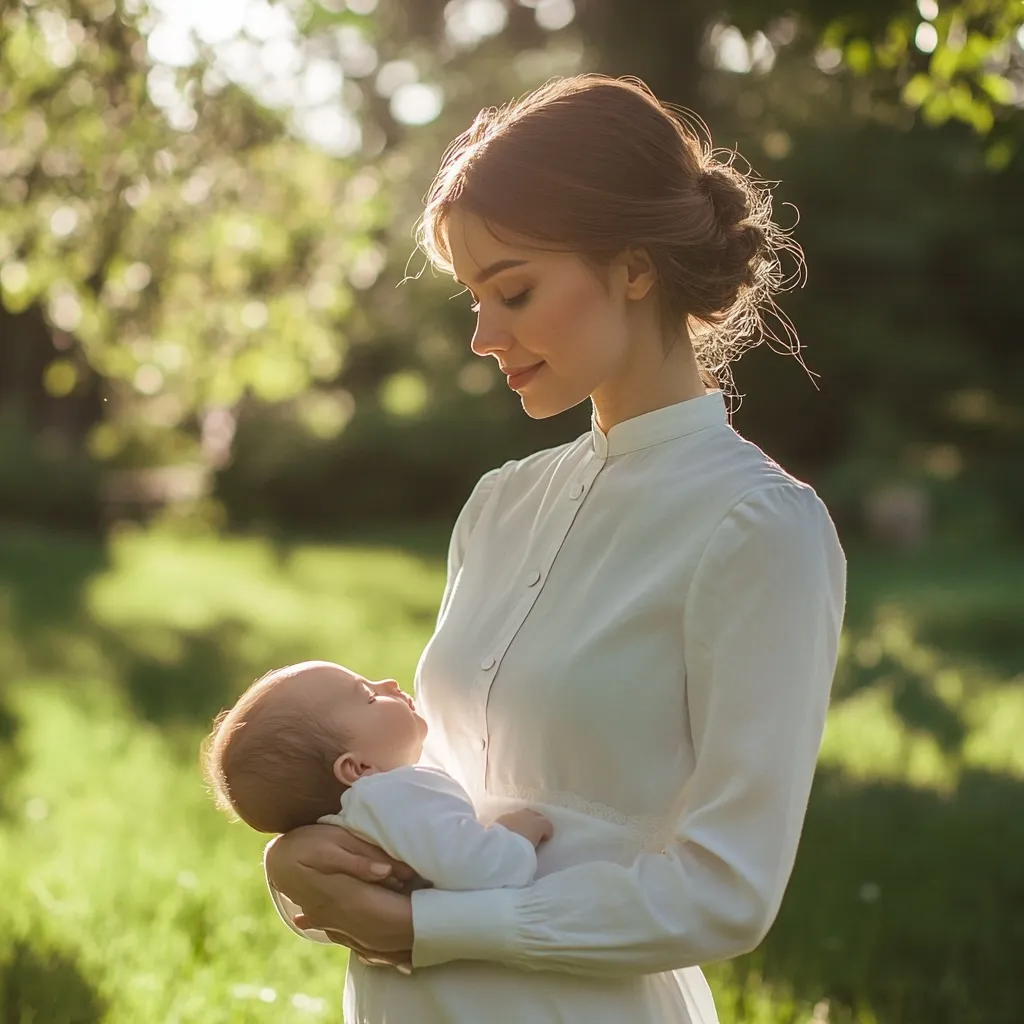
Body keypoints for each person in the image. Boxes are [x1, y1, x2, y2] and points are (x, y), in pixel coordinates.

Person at [263, 73, 847, 1024]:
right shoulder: (499, 505)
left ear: (635, 266)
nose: (484, 336)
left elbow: (727, 892)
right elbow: (432, 793)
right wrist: (300, 857)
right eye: (473, 299)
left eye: (515, 291)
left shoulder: (759, 529)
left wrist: (433, 933)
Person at [201, 660, 554, 912]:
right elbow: (475, 870)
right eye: (369, 695)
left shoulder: (367, 811)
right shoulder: (397, 796)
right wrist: (514, 835)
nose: (388, 683)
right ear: (357, 767)